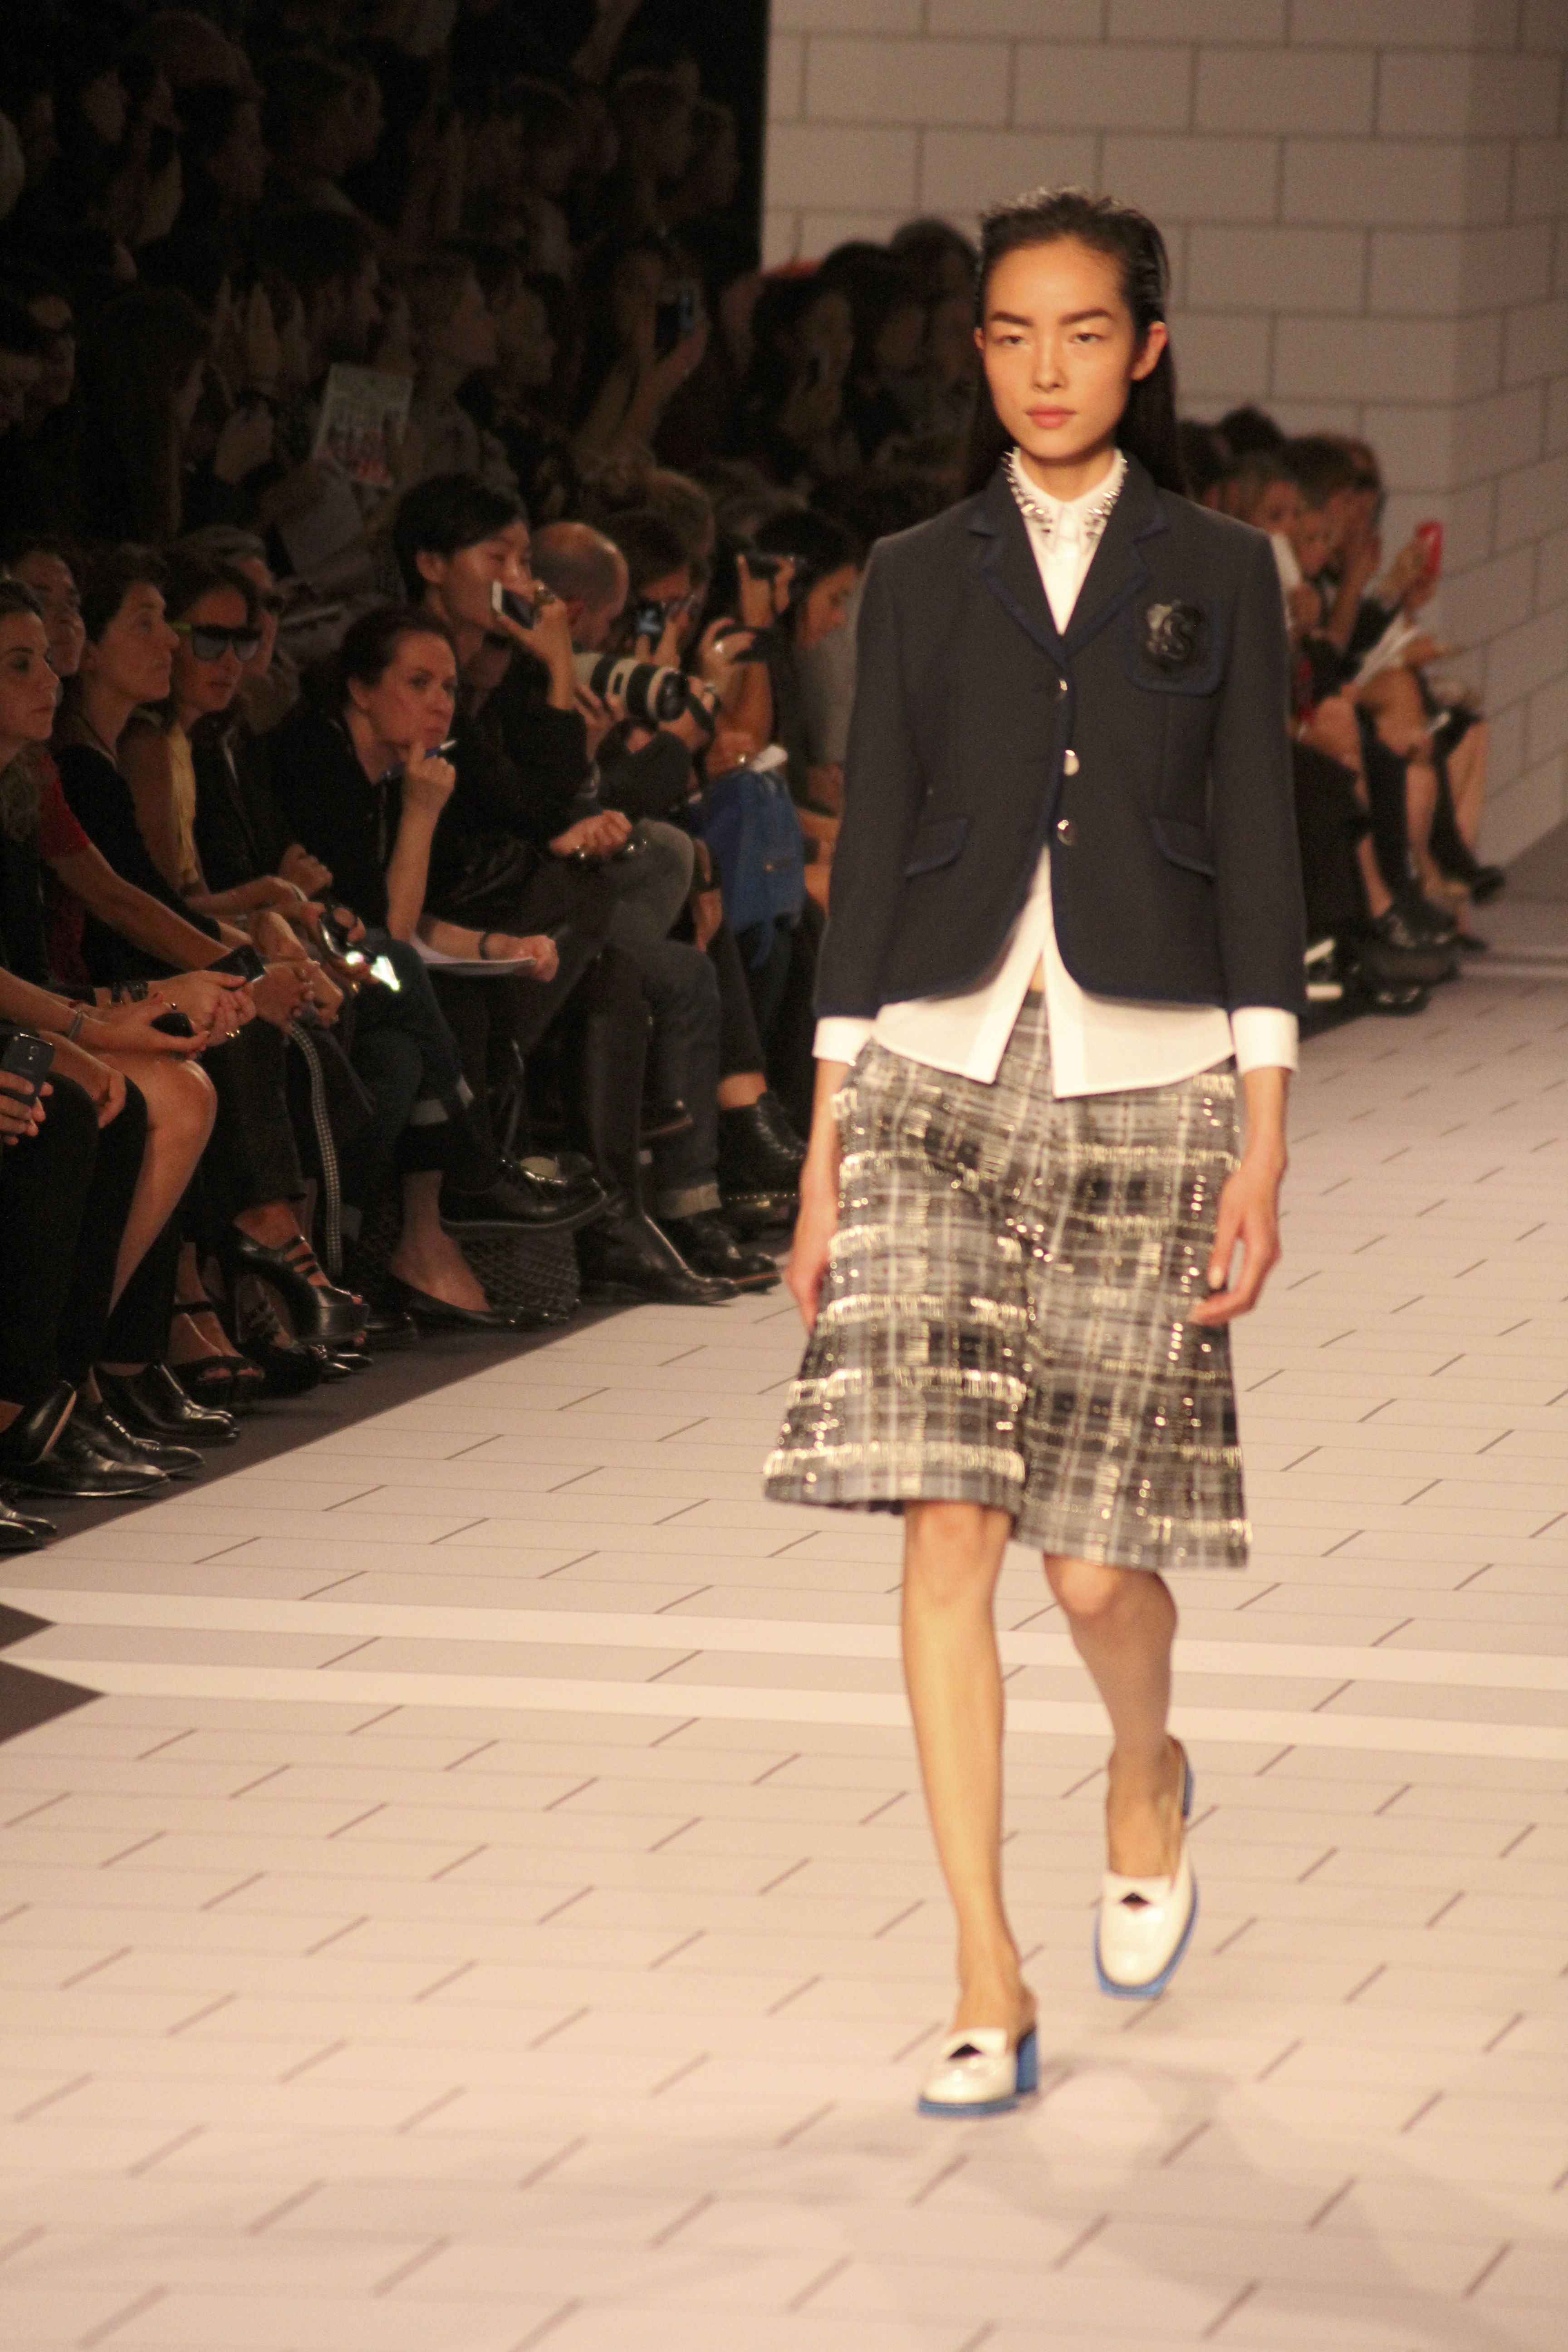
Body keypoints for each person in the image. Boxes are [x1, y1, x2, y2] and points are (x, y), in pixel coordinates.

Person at [766, 188, 1306, 2115]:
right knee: (947, 1531)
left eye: (1084, 332)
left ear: (1145, 349)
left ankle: (1146, 1771)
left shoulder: (1222, 569)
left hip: (1151, 1075)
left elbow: (1260, 848)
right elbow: (874, 851)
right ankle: (984, 1971)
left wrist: (1265, 1140)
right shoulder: (918, 571)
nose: (1047, 368)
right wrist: (824, 1144)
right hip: (930, 1072)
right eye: (1012, 333)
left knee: (1087, 1571)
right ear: (979, 349)